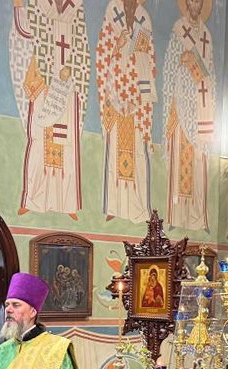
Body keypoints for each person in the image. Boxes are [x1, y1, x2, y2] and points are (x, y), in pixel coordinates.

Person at [10, 0, 90, 219]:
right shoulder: (40, 4)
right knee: (38, 139)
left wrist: (71, 70)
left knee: (67, 144)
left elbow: (82, 48)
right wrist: (18, 8)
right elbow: (28, 31)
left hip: (67, 89)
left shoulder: (75, 8)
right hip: (44, 83)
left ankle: (66, 202)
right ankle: (33, 199)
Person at [96, 0, 157, 223]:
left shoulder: (144, 18)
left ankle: (138, 208)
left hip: (137, 102)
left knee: (138, 153)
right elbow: (102, 54)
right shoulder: (112, 11)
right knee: (114, 152)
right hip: (115, 97)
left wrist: (139, 98)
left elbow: (149, 60)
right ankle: (115, 205)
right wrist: (117, 46)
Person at [162, 0, 215, 231]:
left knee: (199, 161)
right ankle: (177, 218)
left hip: (201, 106)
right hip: (181, 101)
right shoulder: (178, 29)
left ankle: (198, 218)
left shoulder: (207, 36)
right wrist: (179, 60)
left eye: (199, 0)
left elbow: (211, 72)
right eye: (192, 0)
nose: (195, 4)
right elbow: (168, 64)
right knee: (179, 157)